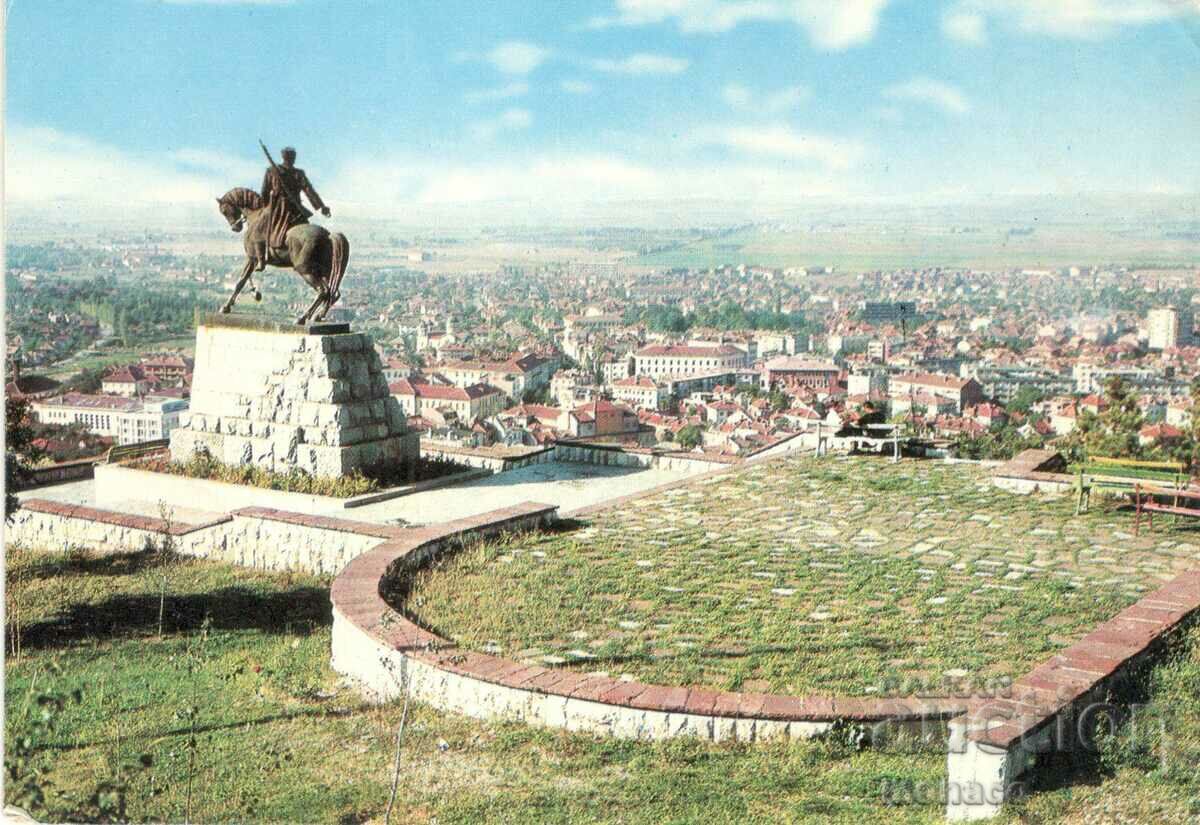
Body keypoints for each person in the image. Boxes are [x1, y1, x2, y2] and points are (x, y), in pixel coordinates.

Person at [255, 146, 331, 271]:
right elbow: (310, 192)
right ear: (293, 158)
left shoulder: (271, 171)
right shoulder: (298, 173)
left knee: (258, 230)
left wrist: (264, 206)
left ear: (283, 157)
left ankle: (261, 260)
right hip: (297, 210)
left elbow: (264, 192)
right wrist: (321, 207)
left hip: (278, 210)